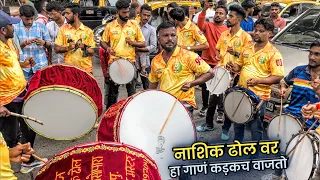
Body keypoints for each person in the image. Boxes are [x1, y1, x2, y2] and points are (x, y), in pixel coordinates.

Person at [262, 40, 320, 180]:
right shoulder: (299, 71)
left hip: (313, 125)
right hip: (291, 116)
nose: (312, 57)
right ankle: (278, 175)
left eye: (317, 54)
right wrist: (283, 88)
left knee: (301, 158)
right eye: (311, 53)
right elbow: (284, 81)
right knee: (279, 146)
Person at [0, 10, 46, 174]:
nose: (14, 26)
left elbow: (11, 64)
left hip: (20, 93)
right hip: (6, 100)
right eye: (11, 24)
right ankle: (7, 170)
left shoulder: (10, 42)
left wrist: (24, 64)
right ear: (3, 30)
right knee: (9, 137)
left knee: (28, 128)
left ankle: (28, 161)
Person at [226, 17, 284, 147]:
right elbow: (239, 66)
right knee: (238, 122)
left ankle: (255, 154)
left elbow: (278, 76)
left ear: (269, 33)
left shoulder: (274, 53)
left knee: (255, 127)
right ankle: (237, 147)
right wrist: (233, 66)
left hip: (259, 96)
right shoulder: (248, 47)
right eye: (256, 30)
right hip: (241, 91)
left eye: (261, 31)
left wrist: (259, 81)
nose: (256, 33)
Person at [204, 5, 252, 141]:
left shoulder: (245, 37)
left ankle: (225, 129)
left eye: (230, 16)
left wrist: (235, 53)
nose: (227, 18)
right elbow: (218, 49)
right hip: (221, 72)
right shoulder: (224, 34)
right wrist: (218, 55)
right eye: (228, 15)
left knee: (229, 103)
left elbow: (248, 58)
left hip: (235, 76)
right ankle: (208, 124)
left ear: (238, 19)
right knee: (212, 98)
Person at [148, 21, 214, 119]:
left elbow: (210, 73)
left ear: (177, 38)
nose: (170, 38)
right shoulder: (155, 61)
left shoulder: (189, 56)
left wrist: (192, 83)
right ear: (159, 39)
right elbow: (152, 85)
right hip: (165, 105)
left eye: (173, 35)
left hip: (184, 105)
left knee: (184, 134)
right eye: (165, 35)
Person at [100, 0, 146, 109]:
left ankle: (131, 113)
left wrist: (132, 43)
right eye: (123, 12)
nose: (126, 14)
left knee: (131, 93)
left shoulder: (134, 25)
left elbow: (143, 43)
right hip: (114, 62)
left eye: (127, 11)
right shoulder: (110, 26)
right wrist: (108, 48)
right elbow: (102, 41)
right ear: (117, 12)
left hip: (130, 62)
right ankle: (110, 114)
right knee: (112, 94)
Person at [196, 3, 229, 130]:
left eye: (221, 13)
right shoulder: (208, 25)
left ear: (225, 17)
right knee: (205, 87)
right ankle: (205, 106)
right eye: (217, 13)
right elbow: (199, 25)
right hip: (206, 62)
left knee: (219, 89)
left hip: (219, 64)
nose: (218, 15)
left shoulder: (227, 31)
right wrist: (204, 10)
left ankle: (220, 112)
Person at [14, 5, 52, 81]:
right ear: (20, 16)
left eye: (32, 19)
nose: (30, 21)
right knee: (24, 89)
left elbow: (49, 44)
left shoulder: (41, 27)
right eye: (27, 19)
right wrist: (24, 44)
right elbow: (13, 49)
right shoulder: (15, 28)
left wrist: (43, 43)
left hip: (40, 64)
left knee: (40, 89)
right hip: (23, 66)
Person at [55, 3, 96, 73]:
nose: (65, 16)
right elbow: (56, 49)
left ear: (76, 15)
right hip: (69, 70)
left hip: (86, 70)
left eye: (68, 13)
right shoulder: (63, 29)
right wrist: (67, 48)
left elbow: (92, 52)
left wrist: (84, 47)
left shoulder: (88, 31)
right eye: (65, 13)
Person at [135, 4, 157, 90]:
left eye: (148, 15)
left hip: (146, 62)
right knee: (132, 88)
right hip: (133, 59)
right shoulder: (133, 27)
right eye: (144, 15)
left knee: (147, 88)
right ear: (140, 14)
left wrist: (140, 49)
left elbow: (153, 46)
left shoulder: (151, 29)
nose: (146, 17)